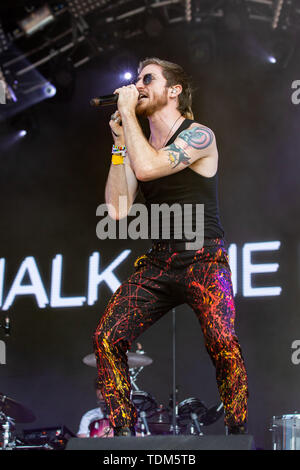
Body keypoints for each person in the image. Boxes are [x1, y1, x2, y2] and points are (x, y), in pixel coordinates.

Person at [93, 57, 248, 437]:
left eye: (148, 79)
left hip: (204, 258)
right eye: (136, 80)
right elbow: (116, 210)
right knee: (107, 337)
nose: (139, 85)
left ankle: (237, 432)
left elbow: (150, 168)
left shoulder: (199, 136)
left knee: (222, 341)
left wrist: (128, 118)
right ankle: (124, 436)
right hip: (160, 261)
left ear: (173, 91)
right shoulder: (136, 144)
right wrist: (118, 145)